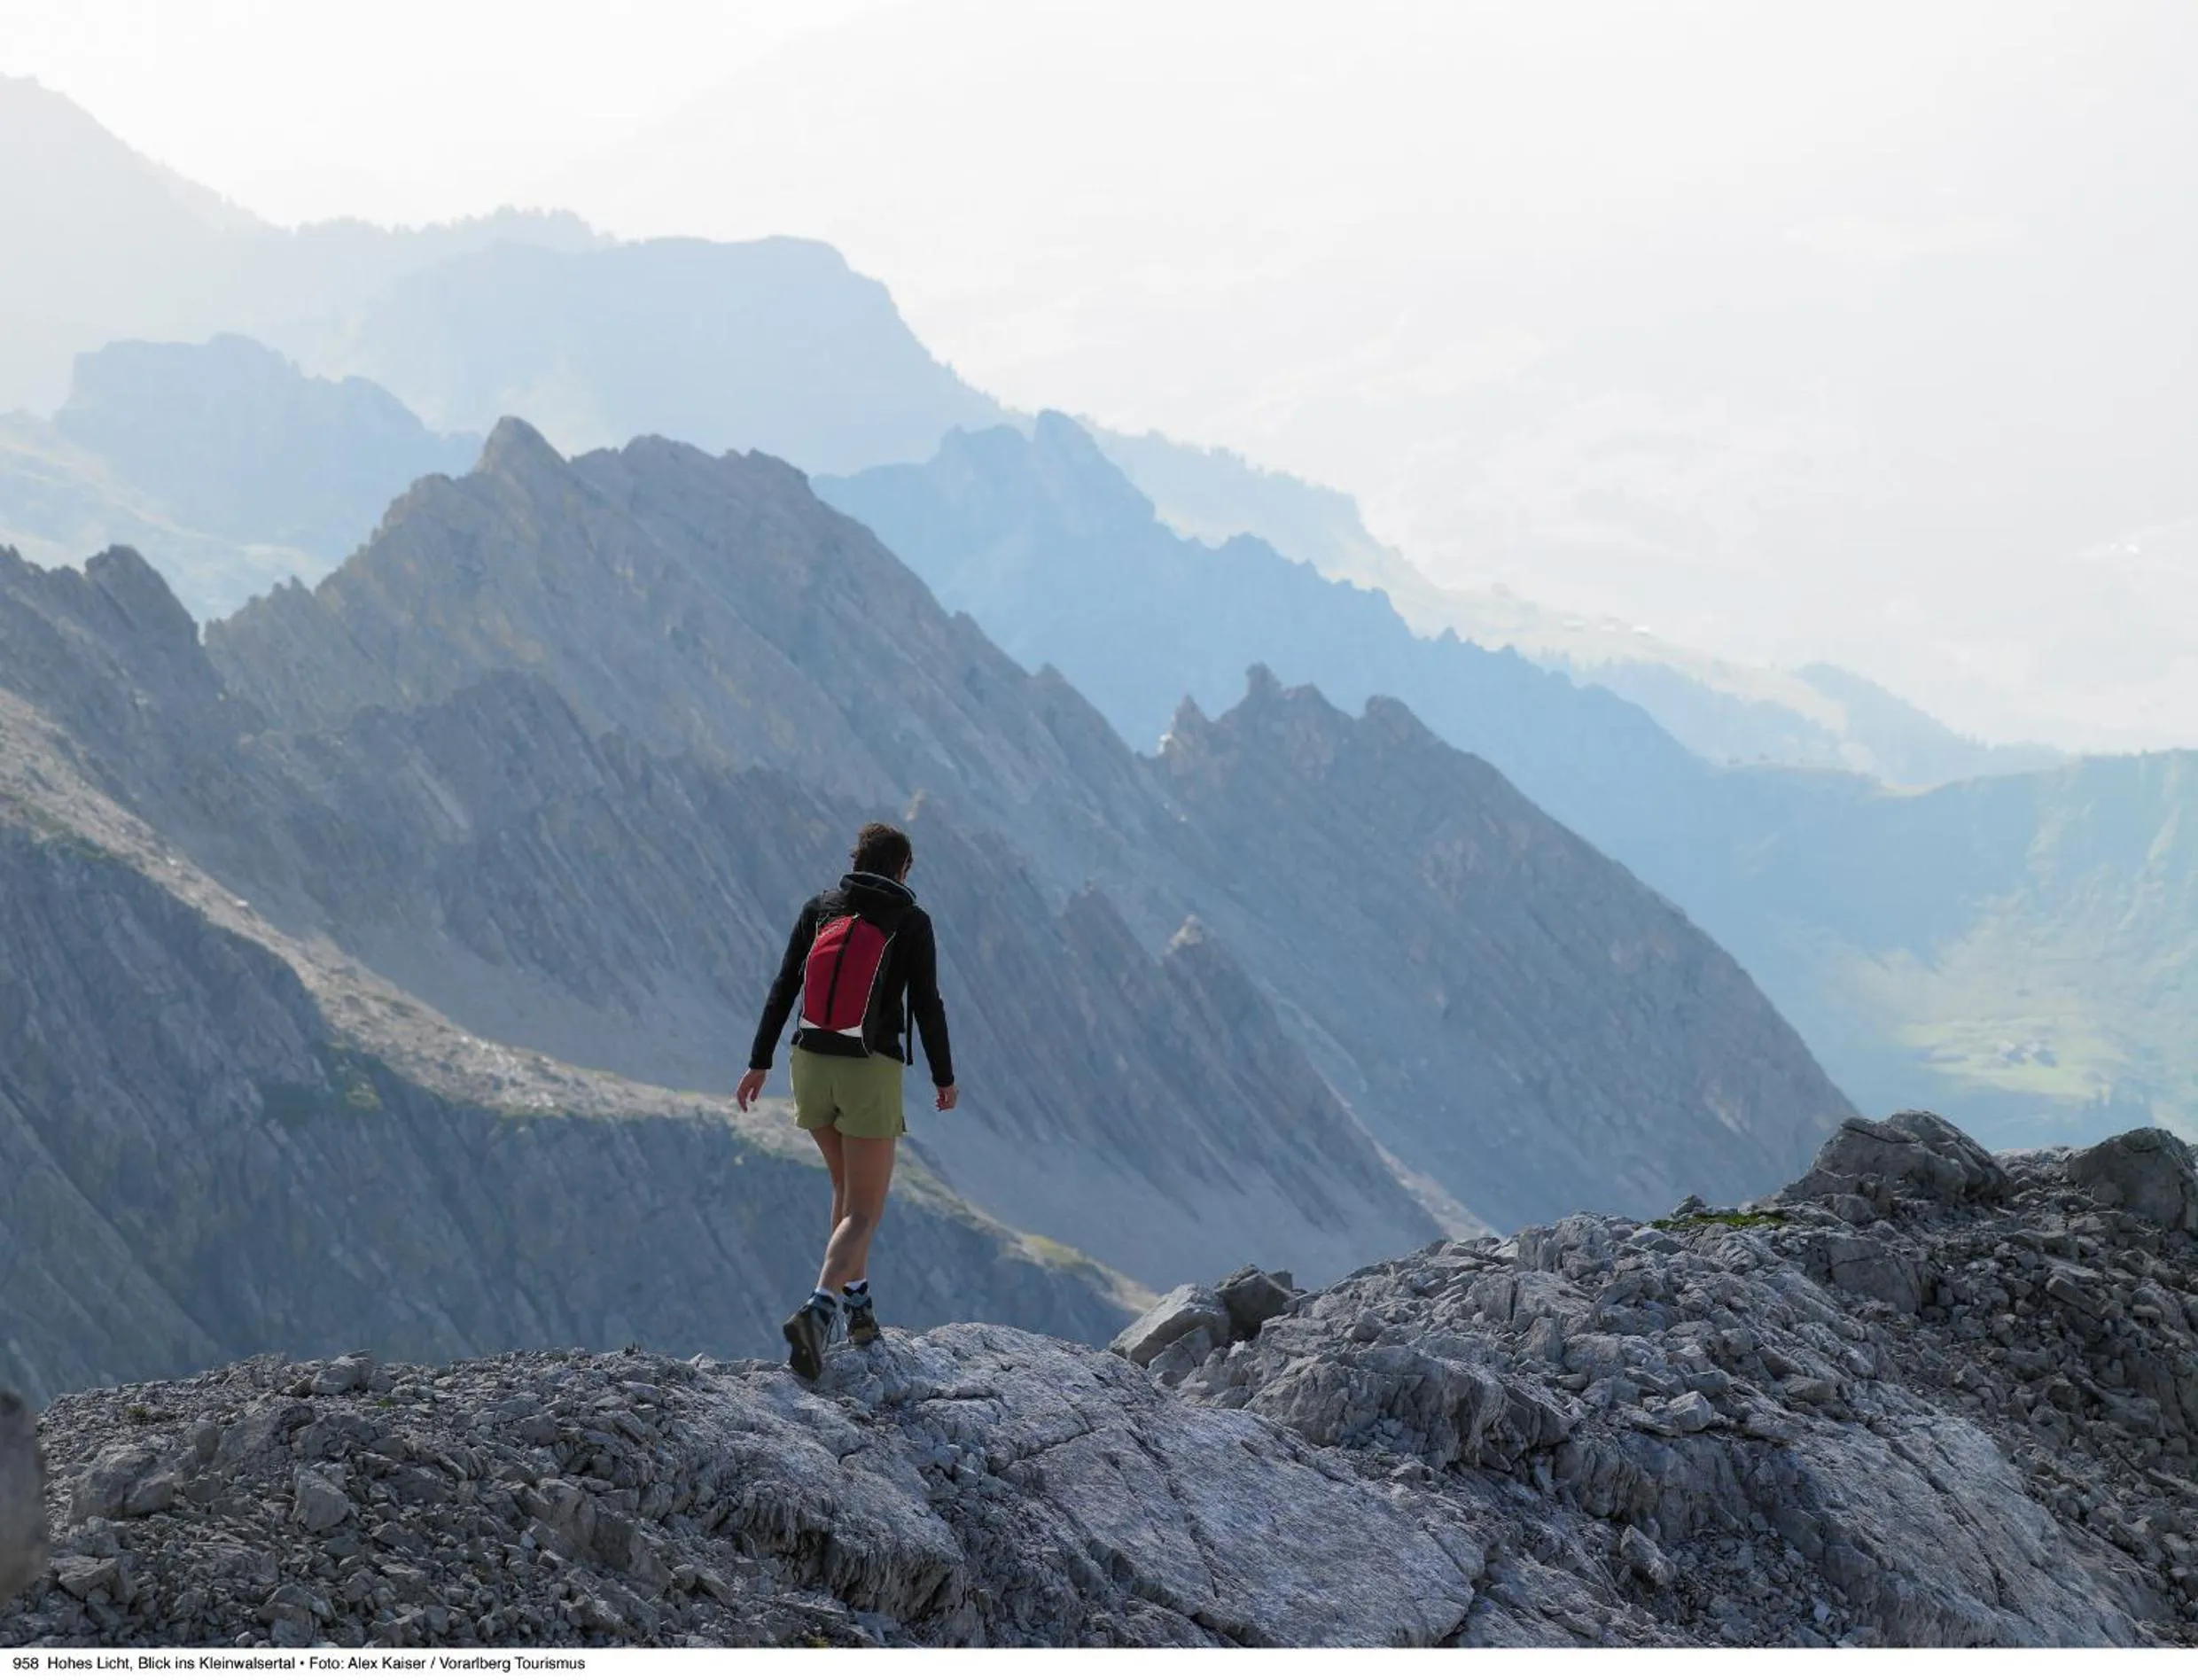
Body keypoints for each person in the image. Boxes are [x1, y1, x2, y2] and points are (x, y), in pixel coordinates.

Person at [737, 821, 958, 1379]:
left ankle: (859, 1312)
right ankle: (817, 1311)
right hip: (868, 1069)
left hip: (808, 1064)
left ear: (855, 859)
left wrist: (759, 1062)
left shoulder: (820, 909)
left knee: (844, 1189)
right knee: (864, 1210)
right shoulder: (910, 920)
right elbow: (926, 1003)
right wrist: (944, 1076)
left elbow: (784, 986)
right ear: (903, 869)